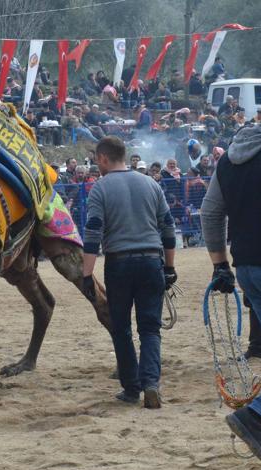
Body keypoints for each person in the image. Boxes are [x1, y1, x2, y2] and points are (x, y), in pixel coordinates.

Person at [201, 88, 261, 466]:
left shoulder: (231, 158)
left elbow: (210, 212)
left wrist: (219, 264)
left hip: (248, 269)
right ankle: (257, 416)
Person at [81, 136, 176, 409]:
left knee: (121, 329)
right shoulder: (151, 183)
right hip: (151, 261)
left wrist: (87, 275)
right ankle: (151, 384)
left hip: (119, 263)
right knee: (150, 329)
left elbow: (93, 234)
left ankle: (131, 388)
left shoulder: (100, 188)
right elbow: (168, 229)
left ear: (102, 158)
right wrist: (169, 267)